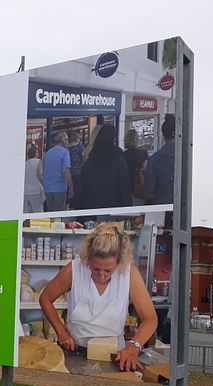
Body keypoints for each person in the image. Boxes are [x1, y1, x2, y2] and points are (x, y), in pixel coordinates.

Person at [39, 222, 157, 372]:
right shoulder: (74, 270)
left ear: (120, 261)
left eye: (108, 270)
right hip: (75, 353)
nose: (101, 276)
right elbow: (45, 298)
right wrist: (61, 331)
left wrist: (134, 346)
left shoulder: (129, 274)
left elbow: (150, 319)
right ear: (88, 258)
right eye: (95, 269)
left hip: (115, 357)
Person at [75, 125, 132, 210]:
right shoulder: (119, 161)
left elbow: (82, 188)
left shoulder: (89, 162)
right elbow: (124, 189)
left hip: (92, 209)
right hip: (114, 210)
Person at [144, 114, 175, 205]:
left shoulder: (154, 159)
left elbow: (148, 188)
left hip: (161, 208)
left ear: (163, 135)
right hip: (184, 208)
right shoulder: (187, 158)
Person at [42, 132, 74, 211]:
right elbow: (66, 171)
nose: (68, 141)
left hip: (47, 189)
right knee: (58, 216)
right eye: (67, 139)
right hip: (59, 188)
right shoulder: (65, 152)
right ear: (62, 140)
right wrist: (71, 189)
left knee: (50, 213)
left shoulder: (48, 153)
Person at [122, 129, 149, 205]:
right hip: (140, 190)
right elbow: (147, 171)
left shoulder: (123, 156)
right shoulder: (143, 154)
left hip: (127, 191)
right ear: (136, 140)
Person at [23, 145, 44, 213]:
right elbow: (39, 175)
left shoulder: (25, 163)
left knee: (26, 212)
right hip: (36, 190)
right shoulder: (38, 161)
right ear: (36, 153)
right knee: (37, 211)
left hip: (25, 191)